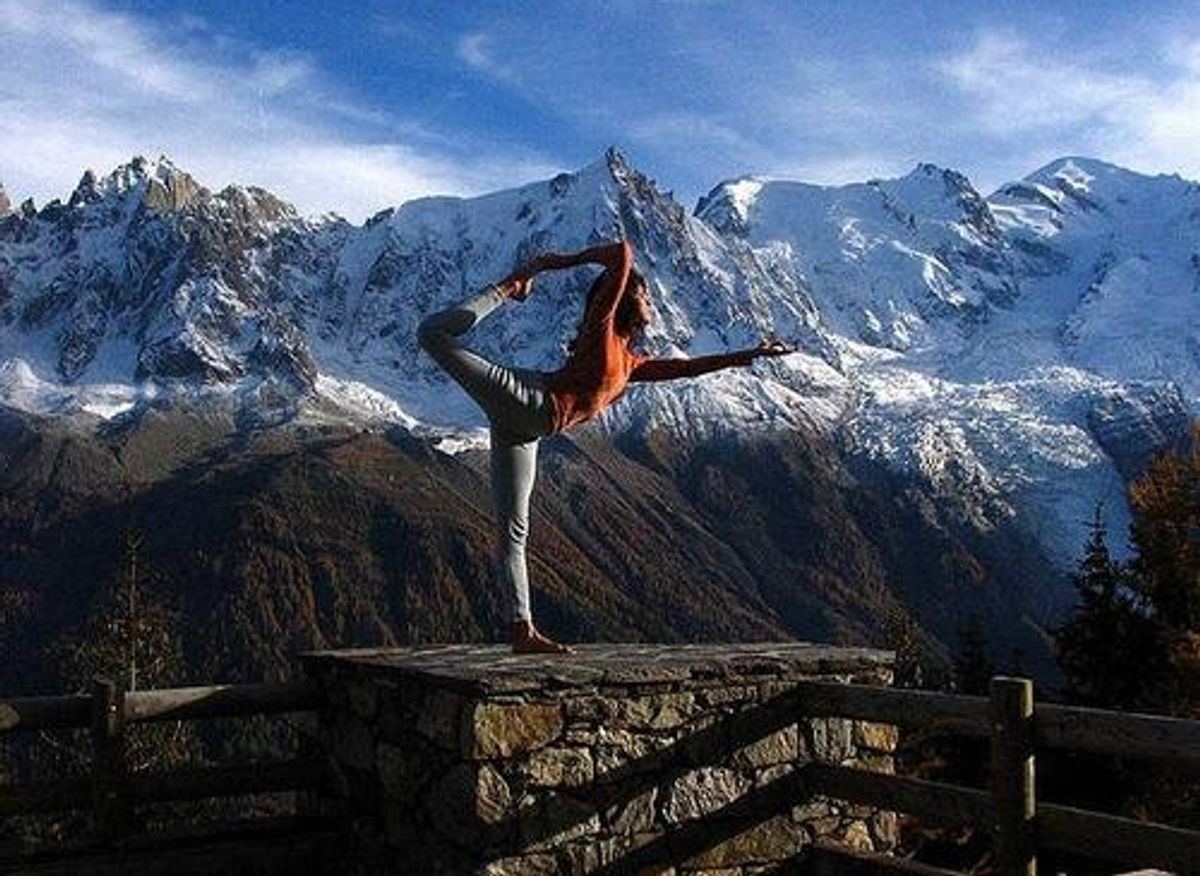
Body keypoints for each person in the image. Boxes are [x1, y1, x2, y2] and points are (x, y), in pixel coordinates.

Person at [417, 239, 792, 654]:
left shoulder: (631, 363)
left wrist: (750, 354)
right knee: (431, 334)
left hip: (527, 429)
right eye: (644, 293)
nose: (651, 301)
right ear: (626, 298)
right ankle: (509, 287)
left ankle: (521, 630)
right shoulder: (602, 329)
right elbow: (624, 252)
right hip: (525, 397)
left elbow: (687, 368)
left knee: (513, 529)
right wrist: (549, 264)